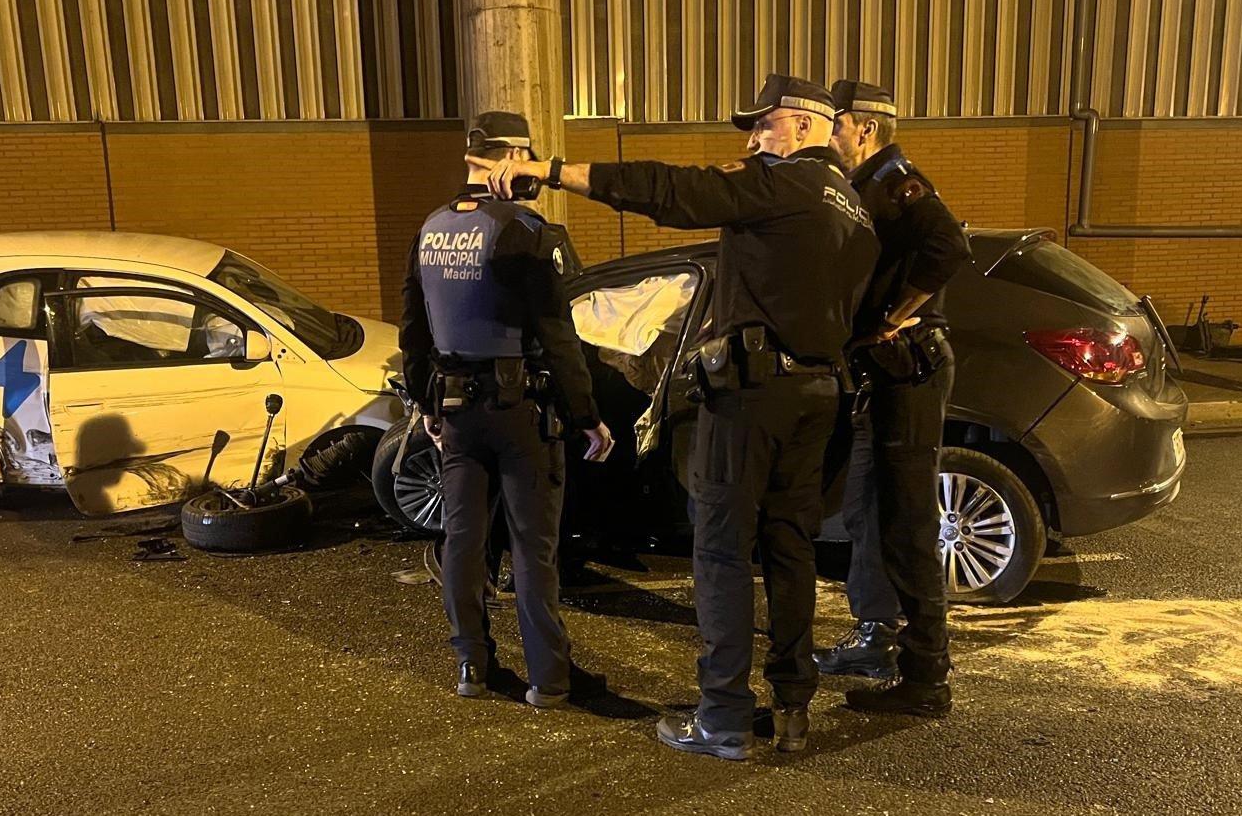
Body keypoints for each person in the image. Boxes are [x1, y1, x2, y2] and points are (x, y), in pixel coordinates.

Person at [468, 75, 877, 760]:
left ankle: (722, 716)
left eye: (763, 125)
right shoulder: (853, 208)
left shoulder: (785, 186)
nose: (752, 140)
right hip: (815, 396)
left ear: (806, 125)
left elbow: (672, 192)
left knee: (719, 550)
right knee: (789, 550)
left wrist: (552, 170)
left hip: (751, 395)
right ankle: (793, 705)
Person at [399, 111, 615, 708]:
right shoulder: (524, 228)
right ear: (511, 158)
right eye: (527, 159)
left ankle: (472, 663)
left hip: (457, 411)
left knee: (464, 541)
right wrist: (586, 415)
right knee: (531, 547)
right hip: (524, 414)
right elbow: (558, 333)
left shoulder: (431, 227)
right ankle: (549, 678)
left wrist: (426, 403)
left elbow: (413, 329)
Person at [816, 80, 971, 718]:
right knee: (869, 514)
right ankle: (878, 639)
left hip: (909, 371)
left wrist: (893, 315)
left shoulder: (899, 181)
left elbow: (949, 247)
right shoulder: (861, 186)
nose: (828, 137)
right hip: (879, 375)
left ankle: (927, 677)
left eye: (835, 125)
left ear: (864, 128)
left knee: (908, 524)